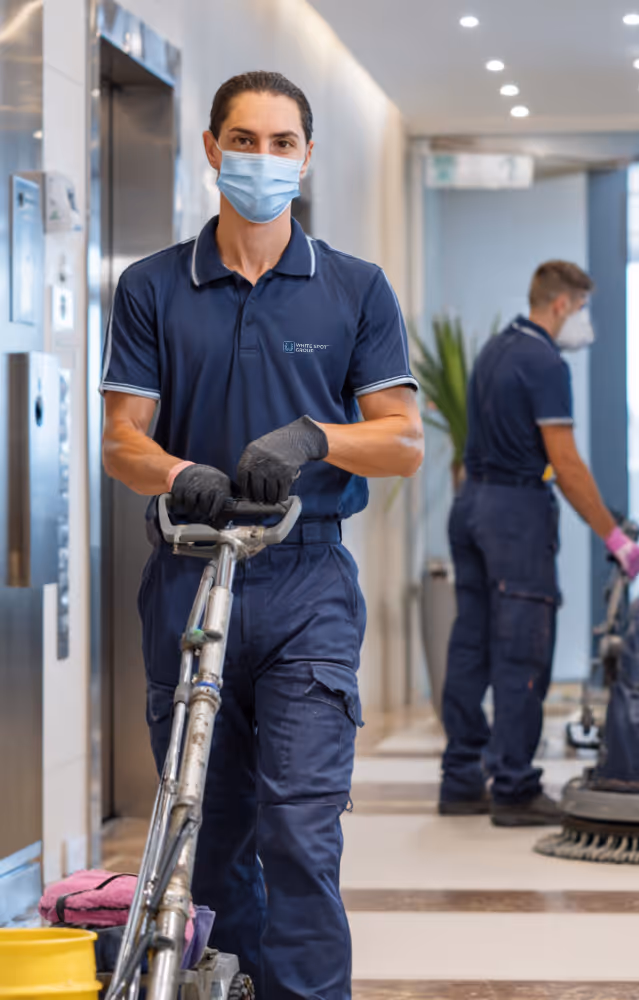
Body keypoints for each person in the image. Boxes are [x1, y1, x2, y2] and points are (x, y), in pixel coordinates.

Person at [100, 71, 423, 1000]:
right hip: (190, 583)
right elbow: (122, 436)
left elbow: (403, 441)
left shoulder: (354, 289)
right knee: (211, 834)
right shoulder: (153, 286)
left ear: (308, 157)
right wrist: (176, 474)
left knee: (300, 830)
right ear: (210, 148)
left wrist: (314, 437)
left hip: (305, 582)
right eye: (246, 140)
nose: (264, 159)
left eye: (284, 144)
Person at [439, 261, 639, 825]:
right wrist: (614, 534)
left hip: (471, 504)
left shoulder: (494, 350)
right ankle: (514, 787)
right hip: (514, 515)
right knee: (522, 648)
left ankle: (460, 778)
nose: (585, 322)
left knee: (471, 645)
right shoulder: (545, 362)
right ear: (561, 305)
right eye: (583, 309)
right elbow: (567, 463)